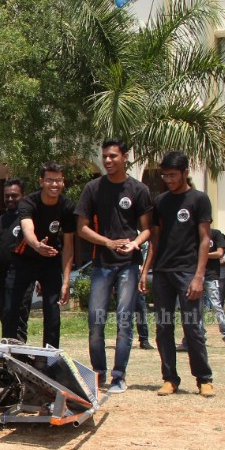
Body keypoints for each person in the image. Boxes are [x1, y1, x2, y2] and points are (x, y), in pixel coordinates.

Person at [74, 139, 153, 394]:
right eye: (104, 157)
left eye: (112, 156)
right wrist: (107, 242)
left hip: (128, 265)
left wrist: (135, 244)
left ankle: (119, 376)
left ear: (125, 157)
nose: (107, 161)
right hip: (101, 264)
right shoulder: (93, 188)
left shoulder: (138, 189)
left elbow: (147, 228)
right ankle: (98, 374)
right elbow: (82, 229)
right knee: (95, 322)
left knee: (124, 322)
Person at [140, 151, 215, 398]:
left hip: (187, 273)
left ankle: (204, 378)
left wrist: (198, 276)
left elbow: (205, 240)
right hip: (162, 274)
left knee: (192, 327)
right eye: (165, 175)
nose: (169, 180)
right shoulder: (160, 201)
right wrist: (145, 271)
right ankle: (170, 378)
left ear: (185, 172)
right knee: (163, 327)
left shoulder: (199, 199)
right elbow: (155, 239)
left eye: (173, 175)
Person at [9, 164, 75, 348]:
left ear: (63, 182)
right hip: (24, 258)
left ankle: (50, 358)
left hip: (51, 259)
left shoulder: (67, 206)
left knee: (53, 310)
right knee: (16, 309)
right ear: (41, 181)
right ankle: (13, 353)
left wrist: (66, 281)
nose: (54, 184)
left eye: (58, 180)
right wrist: (37, 245)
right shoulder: (29, 202)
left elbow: (69, 245)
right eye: (50, 180)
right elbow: (27, 229)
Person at [0, 178, 32, 340]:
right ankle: (6, 357)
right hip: (2, 278)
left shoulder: (30, 220)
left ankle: (19, 357)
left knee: (18, 318)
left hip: (23, 276)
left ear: (23, 196)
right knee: (5, 317)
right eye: (6, 196)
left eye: (14, 195)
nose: (10, 199)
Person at [203, 227, 225, 349]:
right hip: (196, 275)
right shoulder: (194, 234)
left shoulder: (216, 234)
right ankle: (196, 338)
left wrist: (203, 254)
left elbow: (219, 253)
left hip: (211, 275)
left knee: (216, 306)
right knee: (196, 309)